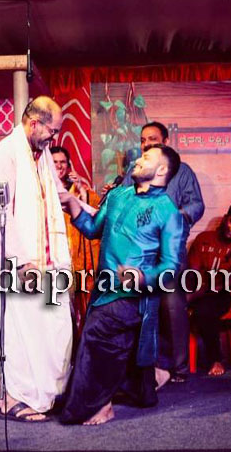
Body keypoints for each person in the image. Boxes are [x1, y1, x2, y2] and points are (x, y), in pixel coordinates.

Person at [59, 144, 184, 425]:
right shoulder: (117, 195)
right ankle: (149, 383)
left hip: (133, 296)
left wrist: (142, 277)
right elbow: (93, 229)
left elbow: (171, 266)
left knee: (96, 338)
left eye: (147, 158)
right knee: (122, 348)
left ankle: (98, 405)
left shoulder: (168, 212)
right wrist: (74, 206)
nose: (138, 160)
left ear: (162, 170)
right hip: (103, 289)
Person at [0, 96, 72, 422]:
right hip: (20, 265)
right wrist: (21, 262)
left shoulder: (41, 151)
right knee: (22, 335)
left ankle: (46, 394)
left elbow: (56, 195)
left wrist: (88, 209)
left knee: (53, 330)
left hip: (49, 261)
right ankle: (16, 398)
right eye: (52, 131)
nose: (54, 138)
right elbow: (1, 213)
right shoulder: (3, 154)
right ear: (34, 123)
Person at [126, 122, 205, 385]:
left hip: (169, 252)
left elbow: (196, 205)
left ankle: (179, 368)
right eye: (143, 140)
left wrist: (174, 217)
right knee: (140, 309)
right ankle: (145, 367)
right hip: (139, 254)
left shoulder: (182, 171)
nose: (146, 144)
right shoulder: (135, 170)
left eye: (152, 138)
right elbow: (123, 201)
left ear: (167, 141)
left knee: (173, 309)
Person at [186, 202, 231, 376]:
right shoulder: (203, 238)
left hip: (225, 295)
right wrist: (189, 293)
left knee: (204, 309)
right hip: (198, 290)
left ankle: (215, 359)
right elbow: (192, 273)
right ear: (225, 219)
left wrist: (196, 295)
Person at [50, 145, 100, 309]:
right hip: (54, 258)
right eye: (54, 162)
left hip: (78, 260)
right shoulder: (43, 193)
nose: (59, 166)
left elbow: (94, 222)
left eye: (63, 162)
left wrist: (82, 192)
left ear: (69, 165)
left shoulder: (81, 192)